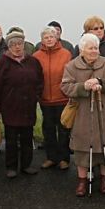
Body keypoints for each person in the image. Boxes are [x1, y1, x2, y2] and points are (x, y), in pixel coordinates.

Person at [61, 33, 105, 196]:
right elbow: (66, 87)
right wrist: (83, 87)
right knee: (82, 146)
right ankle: (82, 181)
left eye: (96, 48)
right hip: (83, 114)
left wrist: (102, 83)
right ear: (82, 50)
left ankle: (104, 179)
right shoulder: (72, 66)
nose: (94, 51)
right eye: (90, 48)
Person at [0, 31, 43, 178]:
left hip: (28, 106)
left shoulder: (33, 61)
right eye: (13, 45)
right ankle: (11, 167)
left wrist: (36, 96)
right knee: (11, 139)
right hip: (10, 106)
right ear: (9, 46)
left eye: (19, 44)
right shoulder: (4, 62)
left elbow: (40, 80)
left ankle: (26, 165)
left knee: (27, 137)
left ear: (24, 44)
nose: (17, 47)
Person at [32, 27, 72, 170]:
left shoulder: (66, 54)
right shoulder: (36, 56)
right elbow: (34, 76)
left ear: (57, 38)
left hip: (62, 98)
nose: (49, 39)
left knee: (63, 130)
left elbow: (70, 75)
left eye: (51, 37)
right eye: (46, 37)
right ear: (42, 40)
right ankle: (51, 157)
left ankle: (63, 158)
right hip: (45, 99)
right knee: (48, 129)